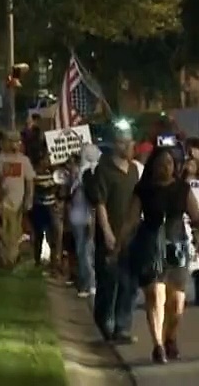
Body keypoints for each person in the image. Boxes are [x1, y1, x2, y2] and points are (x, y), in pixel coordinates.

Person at [117, 146, 199, 364]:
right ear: (153, 166)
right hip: (150, 246)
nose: (165, 167)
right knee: (155, 295)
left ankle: (170, 338)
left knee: (177, 301)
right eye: (161, 163)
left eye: (169, 163)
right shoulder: (143, 190)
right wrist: (119, 243)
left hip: (177, 247)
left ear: (175, 166)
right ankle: (158, 345)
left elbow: (195, 216)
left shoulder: (182, 189)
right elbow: (131, 220)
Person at [90, 128, 139, 343]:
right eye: (123, 142)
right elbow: (100, 204)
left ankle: (122, 327)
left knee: (129, 284)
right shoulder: (104, 170)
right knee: (108, 283)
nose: (128, 146)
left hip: (131, 236)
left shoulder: (134, 170)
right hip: (110, 235)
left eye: (130, 142)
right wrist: (107, 232)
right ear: (115, 145)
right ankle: (105, 324)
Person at [0, 132, 35, 260]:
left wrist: (29, 199)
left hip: (18, 203)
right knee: (5, 232)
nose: (15, 144)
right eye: (11, 141)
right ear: (4, 143)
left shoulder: (24, 160)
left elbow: (29, 181)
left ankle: (12, 257)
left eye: (17, 141)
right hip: (3, 203)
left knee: (16, 232)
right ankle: (7, 257)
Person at [69, 148, 99, 298]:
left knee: (84, 252)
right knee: (86, 252)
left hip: (83, 218)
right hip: (84, 218)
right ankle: (88, 282)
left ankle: (88, 283)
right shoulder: (86, 173)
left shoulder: (86, 174)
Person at [30, 153, 58, 269]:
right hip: (39, 208)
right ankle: (37, 259)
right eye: (46, 159)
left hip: (50, 207)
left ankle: (53, 260)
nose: (48, 162)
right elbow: (36, 189)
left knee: (52, 235)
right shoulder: (34, 174)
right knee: (39, 235)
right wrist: (47, 189)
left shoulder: (51, 174)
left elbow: (56, 187)